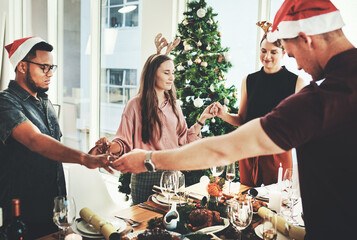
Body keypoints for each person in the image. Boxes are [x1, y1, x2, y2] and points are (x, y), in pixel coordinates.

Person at [111, 0, 356, 239]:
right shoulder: (329, 89)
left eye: (290, 54)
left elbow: (224, 150)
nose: (299, 66)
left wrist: (148, 160)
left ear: (306, 38)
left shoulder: (318, 98)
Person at [0, 37, 113, 239]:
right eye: (44, 67)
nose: (50, 74)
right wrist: (83, 159)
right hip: (24, 214)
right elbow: (35, 140)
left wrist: (88, 156)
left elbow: (51, 150)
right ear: (22, 66)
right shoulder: (5, 102)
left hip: (54, 208)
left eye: (52, 67)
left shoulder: (44, 101)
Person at [90, 34, 215, 204]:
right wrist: (109, 147)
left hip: (173, 175)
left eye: (172, 73)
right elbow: (124, 141)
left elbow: (184, 140)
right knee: (143, 225)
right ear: (152, 74)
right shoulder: (135, 105)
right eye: (166, 73)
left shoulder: (174, 106)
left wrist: (201, 120)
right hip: (144, 176)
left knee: (170, 224)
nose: (171, 77)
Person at [213, 21, 305, 188]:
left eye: (273, 52)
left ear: (283, 53)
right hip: (248, 151)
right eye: (263, 51)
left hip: (278, 153)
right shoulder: (249, 80)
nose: (267, 56)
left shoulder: (296, 82)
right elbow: (242, 120)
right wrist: (223, 115)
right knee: (247, 201)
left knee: (276, 205)